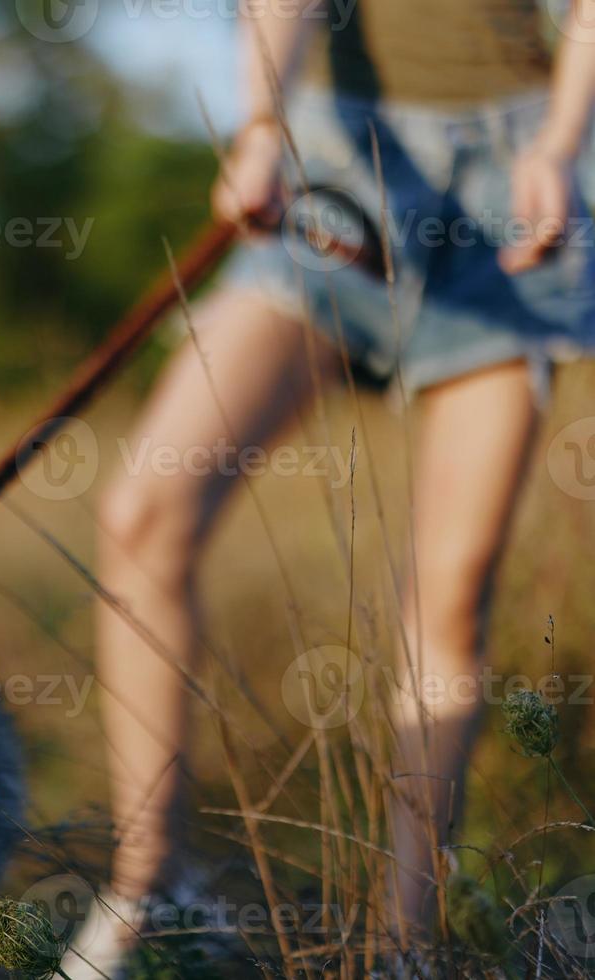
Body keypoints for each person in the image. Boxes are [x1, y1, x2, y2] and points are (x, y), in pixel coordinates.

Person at [65, 0, 595, 973]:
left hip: (513, 183)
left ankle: (404, 941)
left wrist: (564, 142)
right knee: (145, 510)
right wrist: (262, 125)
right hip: (333, 165)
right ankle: (153, 887)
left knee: (449, 594)